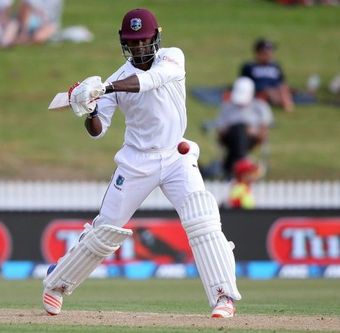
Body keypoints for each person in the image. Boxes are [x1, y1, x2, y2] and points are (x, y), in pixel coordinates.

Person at [42, 8, 241, 318]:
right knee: (104, 230)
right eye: (133, 42)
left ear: (156, 38)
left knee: (202, 221)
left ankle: (223, 296)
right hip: (136, 162)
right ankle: (57, 283)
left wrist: (105, 88)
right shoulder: (114, 80)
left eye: (144, 40)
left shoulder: (172, 59)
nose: (139, 47)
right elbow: (97, 132)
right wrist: (90, 109)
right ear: (124, 43)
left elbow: (150, 81)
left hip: (177, 155)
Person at [215, 77, 273, 179]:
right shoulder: (227, 106)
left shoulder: (260, 106)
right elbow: (221, 131)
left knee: (241, 130)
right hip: (230, 138)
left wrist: (251, 131)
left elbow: (264, 131)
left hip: (252, 139)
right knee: (238, 130)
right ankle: (242, 163)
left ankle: (233, 165)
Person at [240, 38, 294, 112]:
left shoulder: (275, 66)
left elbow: (281, 81)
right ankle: (284, 104)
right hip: (260, 92)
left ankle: (287, 105)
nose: (269, 55)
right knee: (268, 92)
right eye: (265, 53)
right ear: (258, 53)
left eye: (270, 52)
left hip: (276, 90)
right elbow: (244, 84)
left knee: (283, 89)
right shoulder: (249, 66)